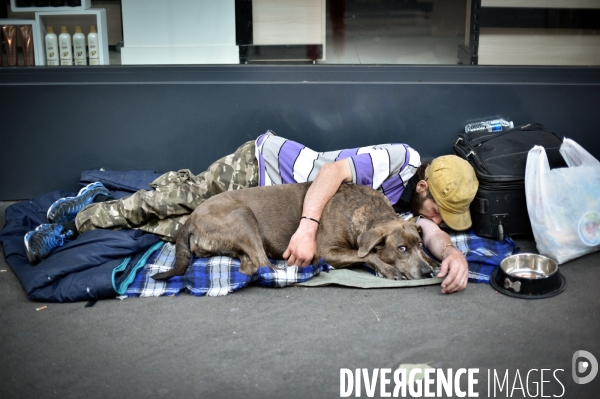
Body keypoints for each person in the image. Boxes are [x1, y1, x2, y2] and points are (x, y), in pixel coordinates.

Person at [24, 131, 478, 294]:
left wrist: (451, 253)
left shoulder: (400, 207)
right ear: (424, 187)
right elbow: (331, 173)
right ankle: (81, 215)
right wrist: (307, 228)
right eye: (442, 212)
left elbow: (420, 230)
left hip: (267, 203)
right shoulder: (397, 158)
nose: (438, 222)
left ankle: (116, 206)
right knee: (173, 201)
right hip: (262, 165)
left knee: (178, 226)